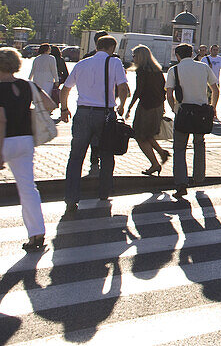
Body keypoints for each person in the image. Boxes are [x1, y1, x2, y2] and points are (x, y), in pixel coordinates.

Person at [58, 34, 129, 213]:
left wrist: (64, 109)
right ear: (112, 48)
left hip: (82, 113)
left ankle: (71, 197)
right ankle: (104, 192)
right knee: (106, 154)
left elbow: (65, 89)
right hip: (105, 114)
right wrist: (121, 105)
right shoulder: (114, 63)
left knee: (75, 157)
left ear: (97, 46)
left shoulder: (82, 64)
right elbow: (123, 87)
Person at [0, 47, 53, 251]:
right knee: (28, 189)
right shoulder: (27, 85)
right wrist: (25, 109)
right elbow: (49, 105)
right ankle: (36, 233)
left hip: (5, 141)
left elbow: (1, 121)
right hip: (26, 140)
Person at [165, 43, 219, 201]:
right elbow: (215, 89)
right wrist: (213, 107)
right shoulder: (203, 67)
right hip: (201, 112)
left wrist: (174, 108)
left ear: (178, 56)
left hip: (183, 112)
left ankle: (181, 183)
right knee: (199, 143)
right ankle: (199, 177)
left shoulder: (173, 70)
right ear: (192, 53)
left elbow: (169, 94)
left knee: (180, 148)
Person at [123, 44, 170, 176]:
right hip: (158, 106)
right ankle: (161, 153)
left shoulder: (142, 71)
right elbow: (163, 89)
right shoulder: (157, 70)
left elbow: (139, 90)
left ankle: (155, 163)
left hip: (146, 106)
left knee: (140, 136)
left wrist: (129, 107)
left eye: (134, 55)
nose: (133, 58)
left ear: (140, 56)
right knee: (148, 134)